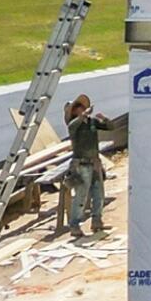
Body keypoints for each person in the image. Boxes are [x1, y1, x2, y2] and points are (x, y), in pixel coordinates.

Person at [59, 94, 108, 234]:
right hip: (81, 165)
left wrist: (103, 119)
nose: (81, 110)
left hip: (94, 163)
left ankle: (97, 220)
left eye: (82, 107)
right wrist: (82, 116)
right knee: (81, 195)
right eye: (77, 108)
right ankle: (74, 224)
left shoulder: (91, 122)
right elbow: (73, 125)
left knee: (99, 193)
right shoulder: (73, 126)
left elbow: (109, 126)